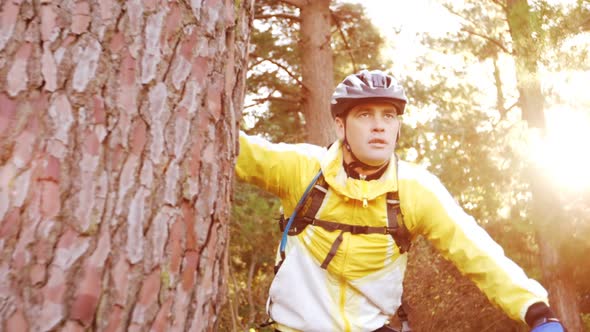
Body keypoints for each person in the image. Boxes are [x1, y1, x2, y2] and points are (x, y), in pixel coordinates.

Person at [235, 69, 565, 332]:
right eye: (365, 115)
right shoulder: (301, 170)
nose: (379, 125)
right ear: (340, 125)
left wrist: (536, 310)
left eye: (389, 115)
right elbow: (228, 147)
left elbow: (476, 251)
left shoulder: (414, 189)